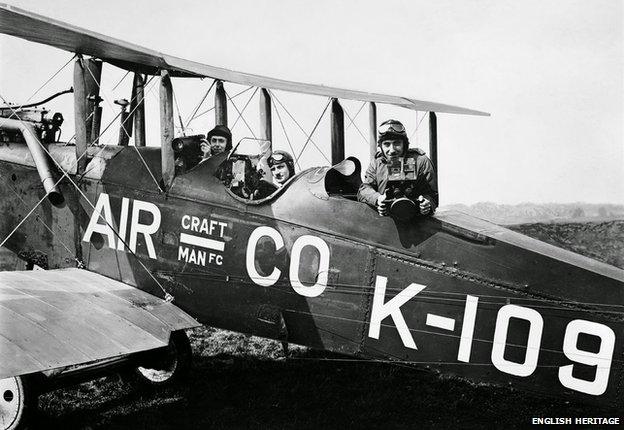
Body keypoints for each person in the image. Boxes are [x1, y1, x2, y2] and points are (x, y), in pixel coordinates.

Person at [358, 119, 438, 217]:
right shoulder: (376, 163)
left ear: (404, 145)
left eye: (396, 143)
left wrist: (426, 204)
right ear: (381, 146)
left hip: (417, 220)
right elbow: (364, 190)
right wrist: (378, 199)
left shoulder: (421, 161)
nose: (392, 150)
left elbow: (432, 195)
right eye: (387, 144)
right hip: (385, 221)